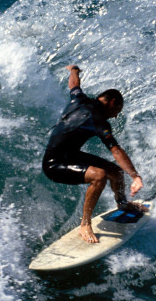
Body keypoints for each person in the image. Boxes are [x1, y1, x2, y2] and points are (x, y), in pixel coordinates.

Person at [42, 65, 145, 243]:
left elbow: (74, 85)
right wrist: (135, 176)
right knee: (99, 176)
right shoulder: (98, 120)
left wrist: (73, 70)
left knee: (116, 172)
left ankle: (123, 204)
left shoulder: (80, 99)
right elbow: (116, 150)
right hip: (54, 165)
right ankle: (85, 224)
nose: (115, 116)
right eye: (117, 111)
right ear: (112, 102)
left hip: (70, 155)